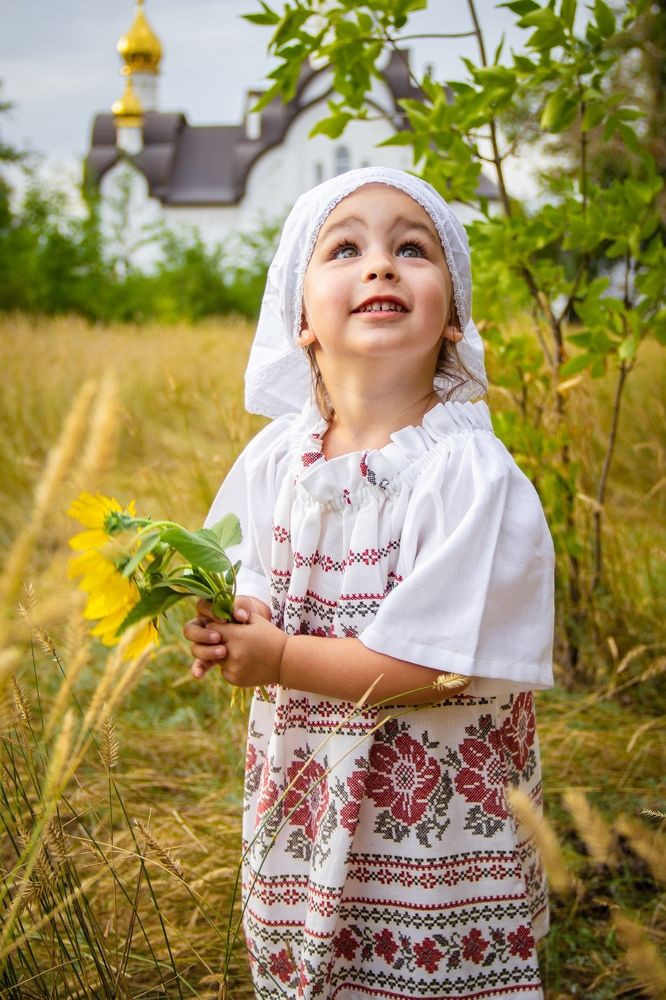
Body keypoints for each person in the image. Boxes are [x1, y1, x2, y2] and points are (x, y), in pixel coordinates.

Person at [183, 167, 554, 1000]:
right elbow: (246, 570)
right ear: (300, 317)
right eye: (345, 248)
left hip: (434, 837)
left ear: (453, 316)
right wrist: (233, 618)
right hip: (307, 796)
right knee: (318, 965)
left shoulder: (467, 474)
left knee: (425, 974)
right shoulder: (276, 460)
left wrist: (279, 658)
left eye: (412, 249)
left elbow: (438, 668)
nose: (381, 264)